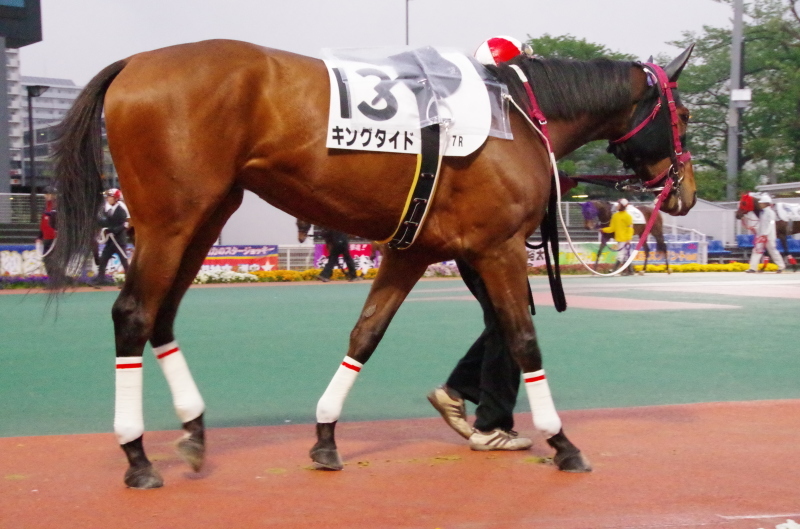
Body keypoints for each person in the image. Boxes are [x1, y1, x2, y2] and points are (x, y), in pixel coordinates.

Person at [427, 35, 534, 452]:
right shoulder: (501, 118)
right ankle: (491, 424)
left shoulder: (475, 111)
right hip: (485, 234)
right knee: (511, 322)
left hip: (471, 230)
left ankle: (458, 391)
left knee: (505, 322)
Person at [93, 188, 130, 286]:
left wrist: (113, 230)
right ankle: (100, 279)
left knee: (124, 260)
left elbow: (124, 225)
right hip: (110, 241)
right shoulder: (107, 210)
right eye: (108, 197)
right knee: (104, 258)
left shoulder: (121, 210)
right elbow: (105, 222)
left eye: (110, 197)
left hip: (119, 241)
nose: (108, 198)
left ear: (116, 198)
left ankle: (129, 281)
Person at [746, 194, 786, 274]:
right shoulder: (762, 213)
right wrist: (756, 230)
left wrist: (765, 233)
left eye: (761, 203)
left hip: (769, 236)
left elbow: (771, 223)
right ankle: (753, 268)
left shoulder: (771, 213)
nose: (760, 204)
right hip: (761, 235)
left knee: (772, 251)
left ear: (766, 203)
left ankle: (781, 266)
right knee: (757, 250)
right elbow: (761, 224)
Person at [601, 198, 634, 276]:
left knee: (620, 255)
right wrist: (603, 230)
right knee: (625, 256)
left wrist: (629, 238)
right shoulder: (615, 216)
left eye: (619, 204)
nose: (617, 205)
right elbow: (612, 228)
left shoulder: (627, 216)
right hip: (619, 239)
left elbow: (630, 228)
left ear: (622, 206)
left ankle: (614, 270)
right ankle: (630, 271)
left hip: (625, 239)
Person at [36, 192, 57, 276]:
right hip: (47, 237)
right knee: (46, 258)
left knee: (54, 258)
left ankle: (57, 278)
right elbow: (43, 223)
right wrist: (40, 236)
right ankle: (52, 278)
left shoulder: (57, 206)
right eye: (46, 194)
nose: (48, 196)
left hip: (55, 237)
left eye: (50, 194)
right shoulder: (45, 207)